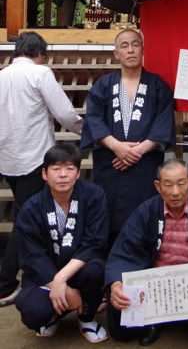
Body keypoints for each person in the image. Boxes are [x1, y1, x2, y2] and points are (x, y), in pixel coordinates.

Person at [0, 31, 82, 306]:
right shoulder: (40, 74)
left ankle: (21, 277)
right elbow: (65, 114)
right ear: (40, 53)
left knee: (26, 214)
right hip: (34, 158)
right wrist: (87, 131)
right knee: (26, 219)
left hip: (7, 158)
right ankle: (7, 281)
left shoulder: (2, 75)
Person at [106, 159, 188, 346]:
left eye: (181, 183)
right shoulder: (146, 211)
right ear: (158, 187)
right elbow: (125, 251)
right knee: (120, 328)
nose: (175, 192)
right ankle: (157, 321)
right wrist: (116, 283)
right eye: (168, 185)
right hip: (155, 282)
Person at [80, 27, 175, 239]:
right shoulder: (103, 86)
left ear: (143, 49)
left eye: (135, 44)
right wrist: (118, 147)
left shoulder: (158, 86)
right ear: (116, 53)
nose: (130, 50)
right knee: (107, 216)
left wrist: (136, 152)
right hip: (110, 164)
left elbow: (163, 122)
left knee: (145, 217)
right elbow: (93, 119)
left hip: (145, 165)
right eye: (124, 46)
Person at [15, 144, 109, 343]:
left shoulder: (94, 195)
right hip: (45, 276)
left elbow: (94, 242)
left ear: (77, 174)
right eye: (56, 169)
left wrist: (62, 280)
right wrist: (59, 285)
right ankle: (53, 316)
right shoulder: (32, 207)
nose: (63, 175)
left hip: (79, 269)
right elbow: (32, 255)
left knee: (95, 271)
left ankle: (87, 318)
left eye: (69, 169)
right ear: (44, 174)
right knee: (32, 310)